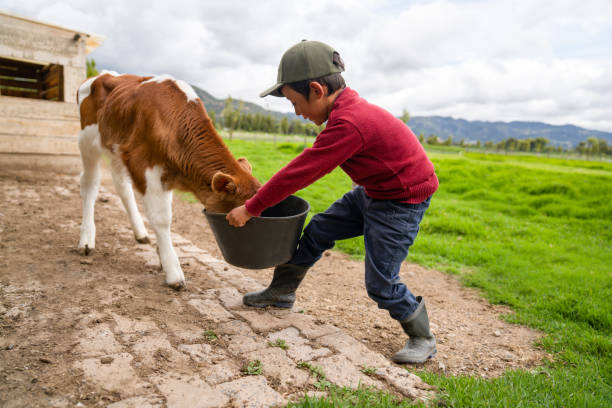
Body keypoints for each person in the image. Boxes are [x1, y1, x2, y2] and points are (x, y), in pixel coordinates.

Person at [227, 40, 439, 364]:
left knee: (381, 282)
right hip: (373, 192)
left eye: (294, 102)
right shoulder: (345, 113)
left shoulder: (349, 122)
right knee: (318, 230)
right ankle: (281, 292)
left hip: (400, 203)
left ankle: (422, 337)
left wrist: (251, 206)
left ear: (316, 89)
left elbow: (302, 171)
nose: (296, 112)